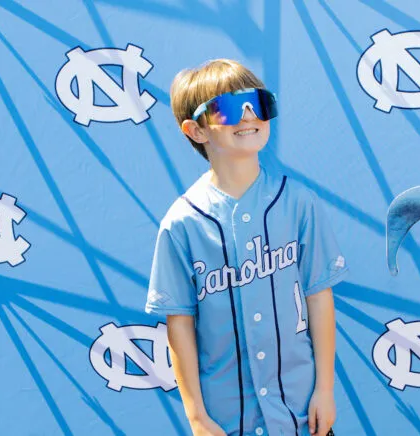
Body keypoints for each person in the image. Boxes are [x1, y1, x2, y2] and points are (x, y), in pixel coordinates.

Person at [145, 59, 348, 436]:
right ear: (196, 130)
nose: (249, 116)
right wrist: (197, 418)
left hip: (301, 416)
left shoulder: (298, 202)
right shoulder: (182, 222)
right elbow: (180, 323)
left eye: (257, 103)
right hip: (227, 423)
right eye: (229, 108)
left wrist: (324, 389)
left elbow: (319, 297)